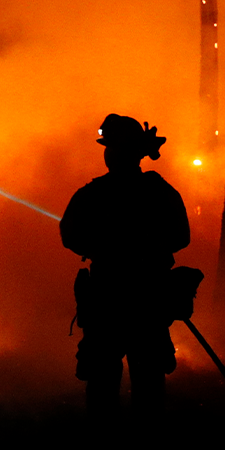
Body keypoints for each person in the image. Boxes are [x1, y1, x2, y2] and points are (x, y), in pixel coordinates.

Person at [60, 113, 190, 422]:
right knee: (146, 384)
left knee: (105, 384)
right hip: (146, 300)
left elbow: (70, 235)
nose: (108, 154)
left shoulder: (94, 194)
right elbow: (181, 236)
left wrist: (105, 249)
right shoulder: (159, 192)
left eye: (112, 147)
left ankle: (109, 443)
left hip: (111, 301)